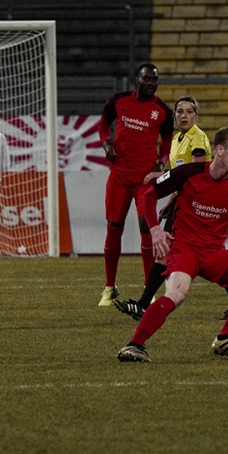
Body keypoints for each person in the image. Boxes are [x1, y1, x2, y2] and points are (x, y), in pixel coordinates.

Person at [116, 126, 228, 363]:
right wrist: (155, 229)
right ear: (220, 150)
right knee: (178, 293)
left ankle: (225, 338)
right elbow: (148, 196)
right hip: (184, 249)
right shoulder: (188, 173)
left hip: (214, 253)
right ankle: (134, 345)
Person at [112, 96, 228, 321]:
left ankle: (143, 305)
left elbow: (195, 171)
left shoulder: (197, 137)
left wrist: (161, 176)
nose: (184, 115)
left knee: (210, 256)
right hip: (185, 202)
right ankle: (143, 305)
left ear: (196, 116)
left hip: (200, 204)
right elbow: (182, 177)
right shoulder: (178, 140)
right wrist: (171, 202)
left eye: (189, 111)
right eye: (180, 111)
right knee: (167, 251)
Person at [96, 63, 175, 307]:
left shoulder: (163, 111)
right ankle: (109, 287)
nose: (151, 84)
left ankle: (147, 290)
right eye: (147, 79)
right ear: (137, 80)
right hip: (119, 177)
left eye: (154, 80)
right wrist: (106, 144)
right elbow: (103, 124)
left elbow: (167, 139)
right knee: (113, 229)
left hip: (144, 180)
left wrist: (162, 161)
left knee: (147, 231)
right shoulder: (119, 100)